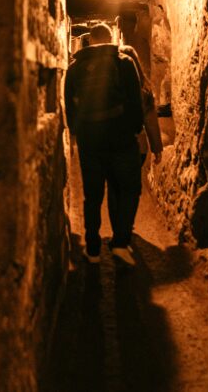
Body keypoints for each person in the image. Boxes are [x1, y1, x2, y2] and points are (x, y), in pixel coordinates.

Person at [64, 23, 144, 266]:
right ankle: (120, 242)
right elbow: (135, 101)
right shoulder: (124, 63)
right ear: (111, 39)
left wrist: (79, 136)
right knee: (128, 189)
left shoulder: (74, 69)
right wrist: (134, 129)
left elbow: (70, 108)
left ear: (89, 41)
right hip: (121, 139)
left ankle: (92, 248)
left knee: (93, 195)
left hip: (91, 142)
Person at [119, 44, 163, 165]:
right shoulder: (144, 89)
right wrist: (156, 149)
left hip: (116, 145)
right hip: (138, 145)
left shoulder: (112, 87)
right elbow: (150, 121)